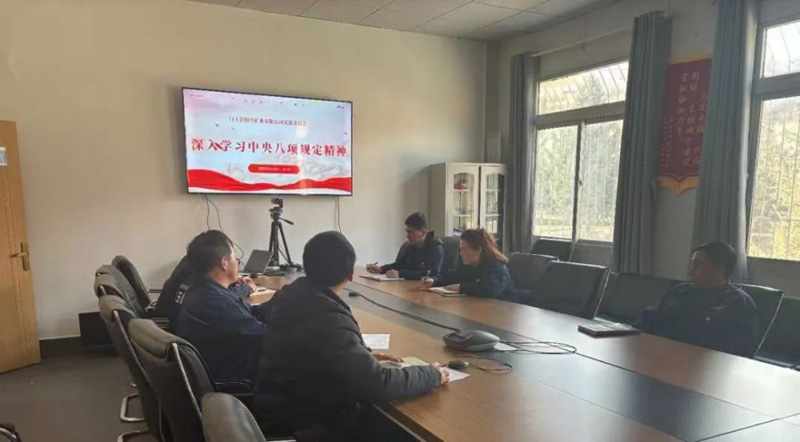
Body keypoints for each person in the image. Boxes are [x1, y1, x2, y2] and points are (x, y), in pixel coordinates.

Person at [255, 231, 449, 441]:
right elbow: (377, 384)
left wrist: (360, 355)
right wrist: (432, 375)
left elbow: (313, 349)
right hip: (307, 426)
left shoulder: (290, 297)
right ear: (350, 274)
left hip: (281, 412)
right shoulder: (329, 319)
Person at [636, 241, 758, 357]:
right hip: (658, 355)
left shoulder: (738, 302)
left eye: (698, 265)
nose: (691, 271)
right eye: (692, 264)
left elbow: (739, 349)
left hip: (704, 364)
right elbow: (647, 319)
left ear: (719, 269)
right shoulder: (680, 291)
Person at [175, 230, 266, 382]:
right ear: (224, 263)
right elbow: (262, 336)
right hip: (237, 378)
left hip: (221, 363)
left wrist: (281, 308)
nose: (237, 263)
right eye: (235, 258)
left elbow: (247, 313)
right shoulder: (215, 303)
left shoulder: (202, 290)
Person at [154, 253, 251, 331]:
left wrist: (229, 279)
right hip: (175, 326)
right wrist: (247, 288)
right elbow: (218, 296)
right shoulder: (201, 276)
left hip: (172, 319)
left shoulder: (191, 261)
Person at [423, 228, 514, 300]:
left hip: (503, 309)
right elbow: (453, 276)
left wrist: (461, 287)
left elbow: (490, 289)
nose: (460, 253)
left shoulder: (497, 266)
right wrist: (434, 280)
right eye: (460, 249)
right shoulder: (470, 265)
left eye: (464, 249)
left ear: (478, 250)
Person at [367, 212, 444, 280]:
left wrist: (401, 274)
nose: (407, 236)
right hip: (409, 286)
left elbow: (430, 274)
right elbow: (399, 265)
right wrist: (381, 269)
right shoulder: (411, 246)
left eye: (411, 232)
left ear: (423, 232)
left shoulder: (436, 248)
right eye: (407, 232)